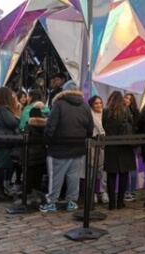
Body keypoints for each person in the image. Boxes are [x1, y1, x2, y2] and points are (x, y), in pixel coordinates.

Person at [40, 80, 94, 213]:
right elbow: (90, 128)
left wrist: (47, 141)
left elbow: (50, 126)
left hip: (59, 148)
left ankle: (51, 202)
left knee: (55, 176)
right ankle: (71, 201)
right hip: (78, 147)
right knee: (73, 177)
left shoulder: (59, 105)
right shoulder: (85, 106)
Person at [103, 91, 136, 210]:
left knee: (111, 175)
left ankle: (112, 203)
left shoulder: (106, 111)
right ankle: (120, 202)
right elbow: (131, 124)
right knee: (124, 174)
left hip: (110, 145)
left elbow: (104, 126)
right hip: (124, 144)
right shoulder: (125, 110)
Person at [0, 87, 21, 202]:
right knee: (1, 165)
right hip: (5, 140)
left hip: (0, 139)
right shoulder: (2, 109)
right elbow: (12, 123)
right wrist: (17, 118)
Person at [88, 95, 108, 204]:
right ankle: (93, 192)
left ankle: (103, 191)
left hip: (104, 145)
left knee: (104, 170)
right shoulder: (89, 115)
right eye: (96, 103)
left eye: (100, 103)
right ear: (91, 104)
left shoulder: (106, 114)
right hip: (93, 145)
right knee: (93, 169)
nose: (99, 105)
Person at [124, 93, 140, 202]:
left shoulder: (136, 112)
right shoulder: (121, 110)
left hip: (133, 141)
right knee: (126, 167)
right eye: (126, 98)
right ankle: (126, 190)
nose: (128, 100)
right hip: (123, 141)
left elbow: (137, 126)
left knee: (132, 167)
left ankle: (132, 190)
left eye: (130, 99)